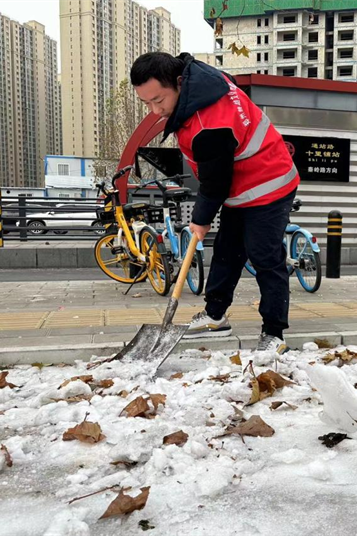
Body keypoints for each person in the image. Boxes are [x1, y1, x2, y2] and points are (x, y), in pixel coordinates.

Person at [130, 52, 300, 354]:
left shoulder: (209, 124)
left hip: (270, 183)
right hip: (242, 187)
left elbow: (215, 182)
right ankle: (215, 315)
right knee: (226, 251)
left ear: (179, 83)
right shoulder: (203, 81)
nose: (156, 111)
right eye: (147, 103)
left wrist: (200, 218)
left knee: (265, 257)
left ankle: (274, 334)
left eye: (159, 100)